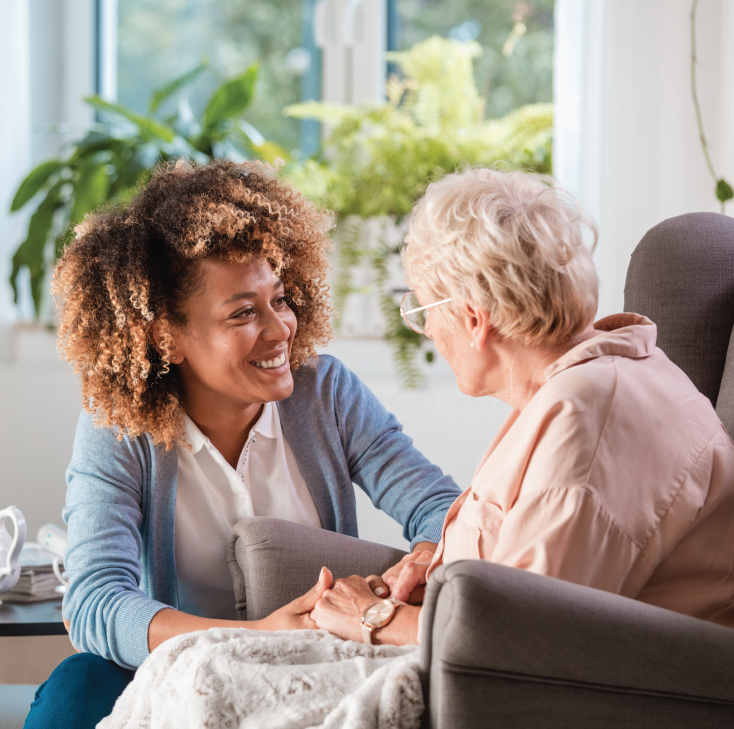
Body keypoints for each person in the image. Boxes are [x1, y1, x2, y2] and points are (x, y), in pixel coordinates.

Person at [24, 160, 461, 729]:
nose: (281, 330)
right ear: (165, 336)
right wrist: (255, 636)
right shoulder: (119, 426)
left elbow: (441, 508)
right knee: (77, 687)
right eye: (243, 313)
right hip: (172, 669)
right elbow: (95, 603)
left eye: (280, 299)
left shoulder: (325, 392)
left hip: (310, 663)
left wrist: (422, 560)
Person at [310, 167, 734, 646]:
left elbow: (526, 639)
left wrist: (374, 617)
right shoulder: (597, 377)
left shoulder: (584, 420)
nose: (425, 329)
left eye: (423, 311)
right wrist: (445, 572)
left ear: (473, 320)